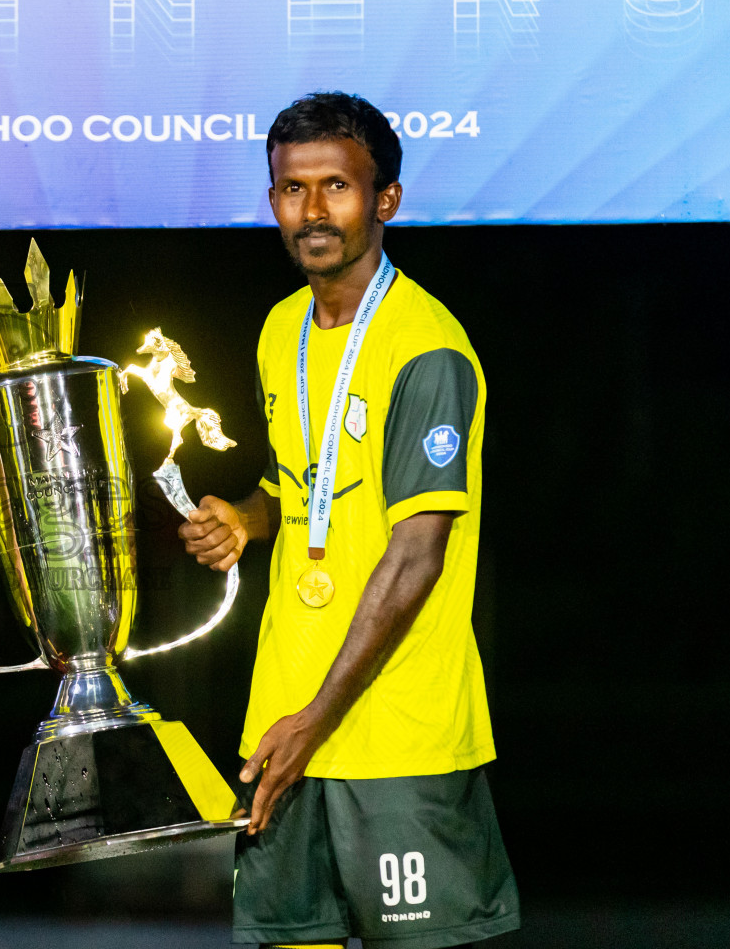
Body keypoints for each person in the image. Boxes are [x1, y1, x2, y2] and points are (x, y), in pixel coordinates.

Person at [178, 92, 520, 949]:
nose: (313, 209)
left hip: (396, 735)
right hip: (285, 725)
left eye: (337, 185)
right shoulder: (280, 328)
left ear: (386, 200)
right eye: (293, 190)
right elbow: (296, 485)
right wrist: (249, 520)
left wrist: (316, 722)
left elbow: (416, 558)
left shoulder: (425, 345)